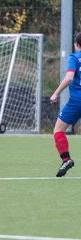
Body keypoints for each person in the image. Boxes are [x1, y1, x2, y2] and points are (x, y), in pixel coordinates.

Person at [50, 32, 81, 177]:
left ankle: (66, 159)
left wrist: (56, 93)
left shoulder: (74, 57)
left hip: (77, 101)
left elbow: (69, 78)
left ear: (76, 44)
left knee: (58, 130)